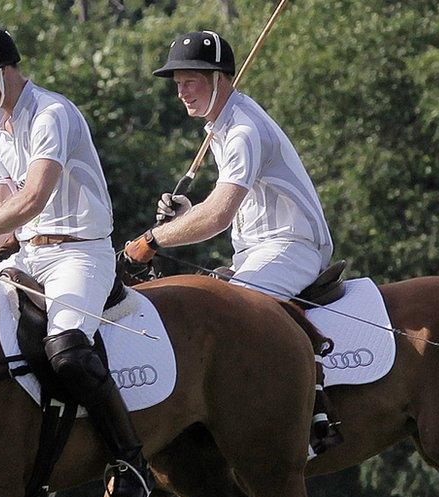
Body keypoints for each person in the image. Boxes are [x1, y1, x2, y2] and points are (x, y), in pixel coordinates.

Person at [0, 26, 152, 497]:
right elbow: (1, 221)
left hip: (81, 253)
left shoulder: (53, 114)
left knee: (68, 349)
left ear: (5, 72)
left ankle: (131, 463)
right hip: (29, 255)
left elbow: (32, 199)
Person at [124, 30, 334, 299]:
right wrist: (186, 216)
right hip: (251, 252)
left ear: (218, 79)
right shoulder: (220, 128)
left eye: (190, 81)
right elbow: (237, 203)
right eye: (178, 83)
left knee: (238, 313)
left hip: (290, 248)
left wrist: (152, 239)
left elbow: (217, 216)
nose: (181, 93)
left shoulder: (243, 131)